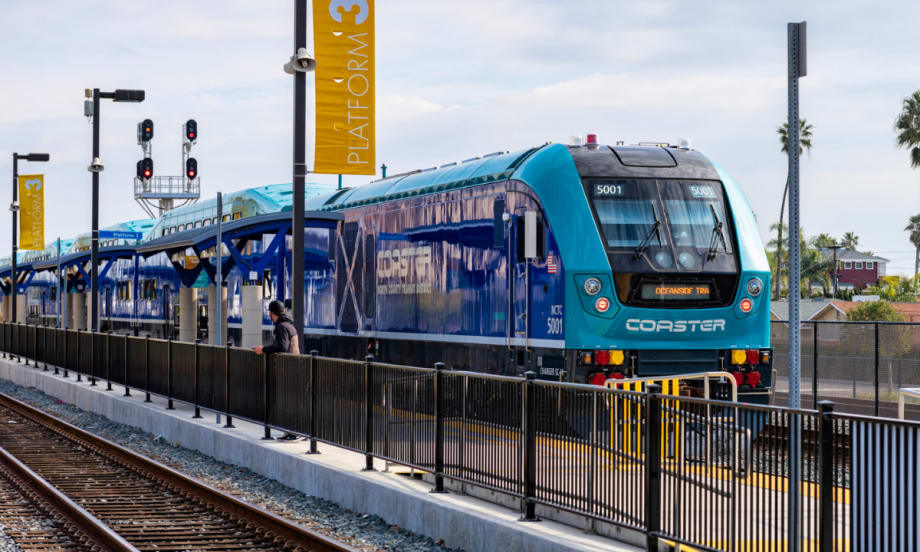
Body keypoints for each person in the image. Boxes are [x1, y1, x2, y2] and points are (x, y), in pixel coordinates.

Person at [253, 300, 300, 440]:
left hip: (287, 368)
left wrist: (263, 350)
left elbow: (282, 347)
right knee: (290, 399)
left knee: (286, 400)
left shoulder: (281, 326)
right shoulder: (289, 326)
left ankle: (292, 432)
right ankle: (293, 431)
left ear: (272, 313)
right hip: (293, 366)